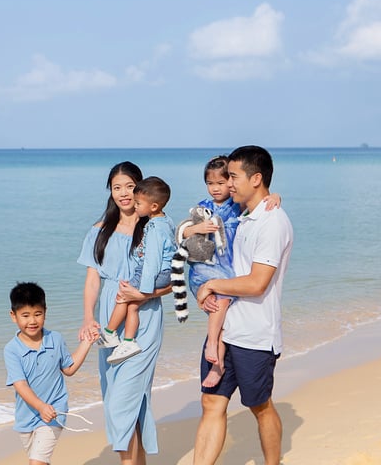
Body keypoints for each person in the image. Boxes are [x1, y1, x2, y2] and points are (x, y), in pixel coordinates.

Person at [192, 146, 293, 465]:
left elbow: (257, 282)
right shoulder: (243, 215)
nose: (228, 183)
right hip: (225, 331)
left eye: (234, 177)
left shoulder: (272, 222)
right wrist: (201, 286)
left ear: (257, 179)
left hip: (255, 335)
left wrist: (211, 285)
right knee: (211, 404)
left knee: (260, 406)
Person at [77, 161, 172, 465]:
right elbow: (93, 279)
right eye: (116, 187)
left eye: (129, 186)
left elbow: (175, 276)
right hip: (109, 317)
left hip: (144, 317)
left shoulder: (154, 226)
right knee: (120, 395)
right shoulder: (98, 230)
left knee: (123, 400)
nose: (123, 193)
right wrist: (88, 317)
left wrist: (147, 294)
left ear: (142, 189)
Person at [180, 156, 280, 388]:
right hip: (205, 268)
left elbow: (260, 201)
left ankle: (215, 355)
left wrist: (274, 196)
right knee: (219, 305)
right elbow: (183, 232)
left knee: (222, 307)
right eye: (210, 183)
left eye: (222, 182)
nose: (216, 188)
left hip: (225, 271)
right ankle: (213, 346)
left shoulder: (237, 205)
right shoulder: (202, 207)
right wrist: (197, 228)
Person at [4, 282, 96, 465]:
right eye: (25, 316)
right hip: (26, 417)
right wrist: (39, 407)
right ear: (13, 316)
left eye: (38, 314)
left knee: (36, 463)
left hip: (54, 411)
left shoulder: (55, 339)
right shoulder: (11, 350)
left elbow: (68, 369)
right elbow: (20, 385)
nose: (32, 321)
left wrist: (86, 343)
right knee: (40, 462)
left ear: (45, 312)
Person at [98, 176, 176, 365]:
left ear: (154, 206)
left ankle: (109, 333)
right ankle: (129, 341)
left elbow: (152, 261)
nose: (135, 206)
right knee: (132, 306)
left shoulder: (155, 228)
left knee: (124, 296)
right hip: (164, 272)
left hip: (156, 274)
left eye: (139, 203)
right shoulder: (165, 221)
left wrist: (143, 290)